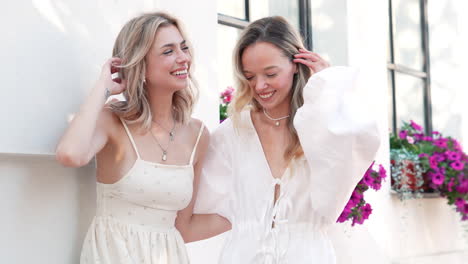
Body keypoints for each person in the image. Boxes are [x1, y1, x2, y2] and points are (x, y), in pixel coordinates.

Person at [192, 16, 381, 263]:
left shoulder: (320, 125)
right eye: (249, 76)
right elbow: (199, 205)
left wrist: (329, 88)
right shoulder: (234, 132)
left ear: (295, 64)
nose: (259, 86)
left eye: (270, 73)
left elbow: (359, 141)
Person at [55, 12, 209, 264]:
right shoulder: (112, 121)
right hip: (113, 254)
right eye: (168, 51)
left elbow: (185, 227)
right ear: (140, 64)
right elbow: (70, 154)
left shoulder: (198, 135)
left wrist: (256, 216)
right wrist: (103, 87)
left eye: (183, 48)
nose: (183, 58)